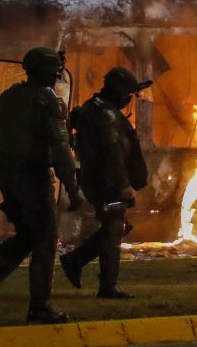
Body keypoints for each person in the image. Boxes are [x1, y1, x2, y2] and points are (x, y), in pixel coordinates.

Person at [0, 46, 82, 323]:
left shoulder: (9, 97)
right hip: (33, 178)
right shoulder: (49, 101)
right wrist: (73, 187)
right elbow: (60, 148)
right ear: (51, 73)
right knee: (44, 241)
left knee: (26, 236)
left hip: (7, 175)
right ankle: (39, 307)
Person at [61, 67, 151, 299]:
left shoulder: (96, 108)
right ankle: (106, 285)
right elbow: (112, 153)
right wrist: (123, 185)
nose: (129, 99)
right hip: (106, 181)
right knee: (113, 229)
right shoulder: (106, 115)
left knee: (115, 227)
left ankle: (76, 261)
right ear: (120, 93)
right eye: (128, 94)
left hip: (99, 178)